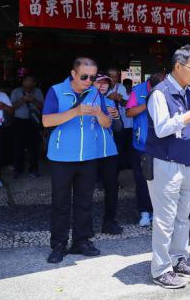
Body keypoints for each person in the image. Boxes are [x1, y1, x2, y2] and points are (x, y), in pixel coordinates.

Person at [144, 45, 190, 289]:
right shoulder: (160, 93)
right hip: (165, 163)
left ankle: (179, 258)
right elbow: (162, 128)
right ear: (177, 66)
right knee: (164, 220)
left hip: (187, 163)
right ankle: (161, 269)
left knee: (182, 217)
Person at [42, 57, 113, 264]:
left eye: (92, 77)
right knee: (60, 203)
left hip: (88, 156)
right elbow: (46, 121)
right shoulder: (56, 91)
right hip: (61, 157)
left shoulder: (95, 94)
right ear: (73, 74)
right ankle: (58, 244)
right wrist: (75, 112)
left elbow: (107, 123)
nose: (89, 81)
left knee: (85, 202)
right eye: (84, 77)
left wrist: (99, 113)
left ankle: (81, 241)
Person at [125, 73, 164, 228]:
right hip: (141, 144)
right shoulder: (138, 90)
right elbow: (128, 112)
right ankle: (144, 212)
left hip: (161, 144)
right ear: (150, 85)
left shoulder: (167, 89)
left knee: (160, 180)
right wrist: (147, 104)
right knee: (142, 180)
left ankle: (158, 212)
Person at [94, 74, 123, 235]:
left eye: (106, 83)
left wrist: (117, 117)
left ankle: (109, 221)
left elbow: (118, 129)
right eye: (99, 82)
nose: (103, 85)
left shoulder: (111, 102)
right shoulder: (85, 101)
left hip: (109, 151)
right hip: (89, 152)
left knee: (111, 187)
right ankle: (84, 225)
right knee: (84, 189)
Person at [10, 75, 44, 178]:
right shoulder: (16, 91)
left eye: (30, 81)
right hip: (19, 121)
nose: (28, 83)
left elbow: (43, 107)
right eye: (26, 81)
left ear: (34, 83)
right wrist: (23, 100)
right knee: (17, 146)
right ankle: (18, 169)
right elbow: (11, 108)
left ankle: (33, 169)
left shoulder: (38, 91)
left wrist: (33, 100)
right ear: (23, 82)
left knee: (34, 147)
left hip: (33, 122)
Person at [106, 68, 130, 171]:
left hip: (117, 121)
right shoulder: (102, 86)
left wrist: (120, 99)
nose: (113, 78)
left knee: (118, 147)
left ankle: (115, 170)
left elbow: (127, 104)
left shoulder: (121, 88)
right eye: (111, 76)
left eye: (115, 76)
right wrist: (108, 98)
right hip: (103, 123)